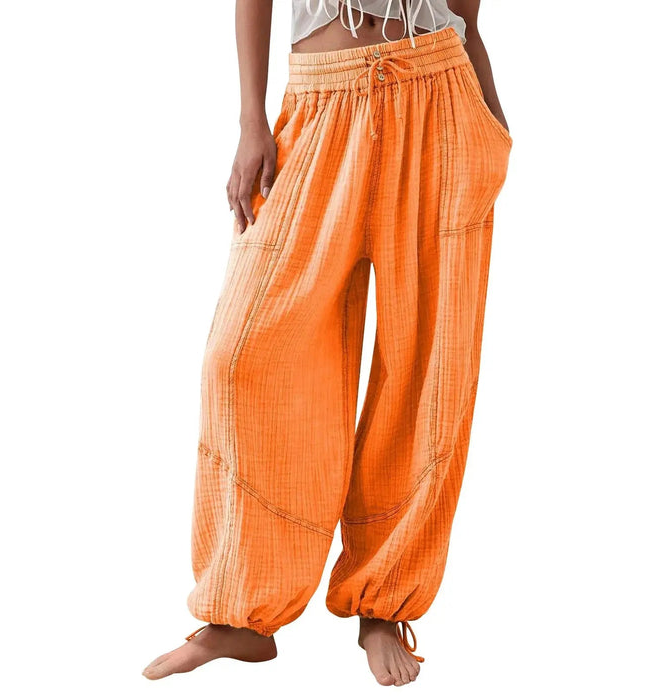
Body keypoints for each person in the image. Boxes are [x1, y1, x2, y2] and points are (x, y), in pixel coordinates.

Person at [142, 0, 511, 687]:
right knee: (240, 357)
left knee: (424, 363)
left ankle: (383, 606)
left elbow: (467, 17)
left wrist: (493, 131)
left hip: (439, 97)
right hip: (318, 100)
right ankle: (242, 615)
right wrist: (252, 121)